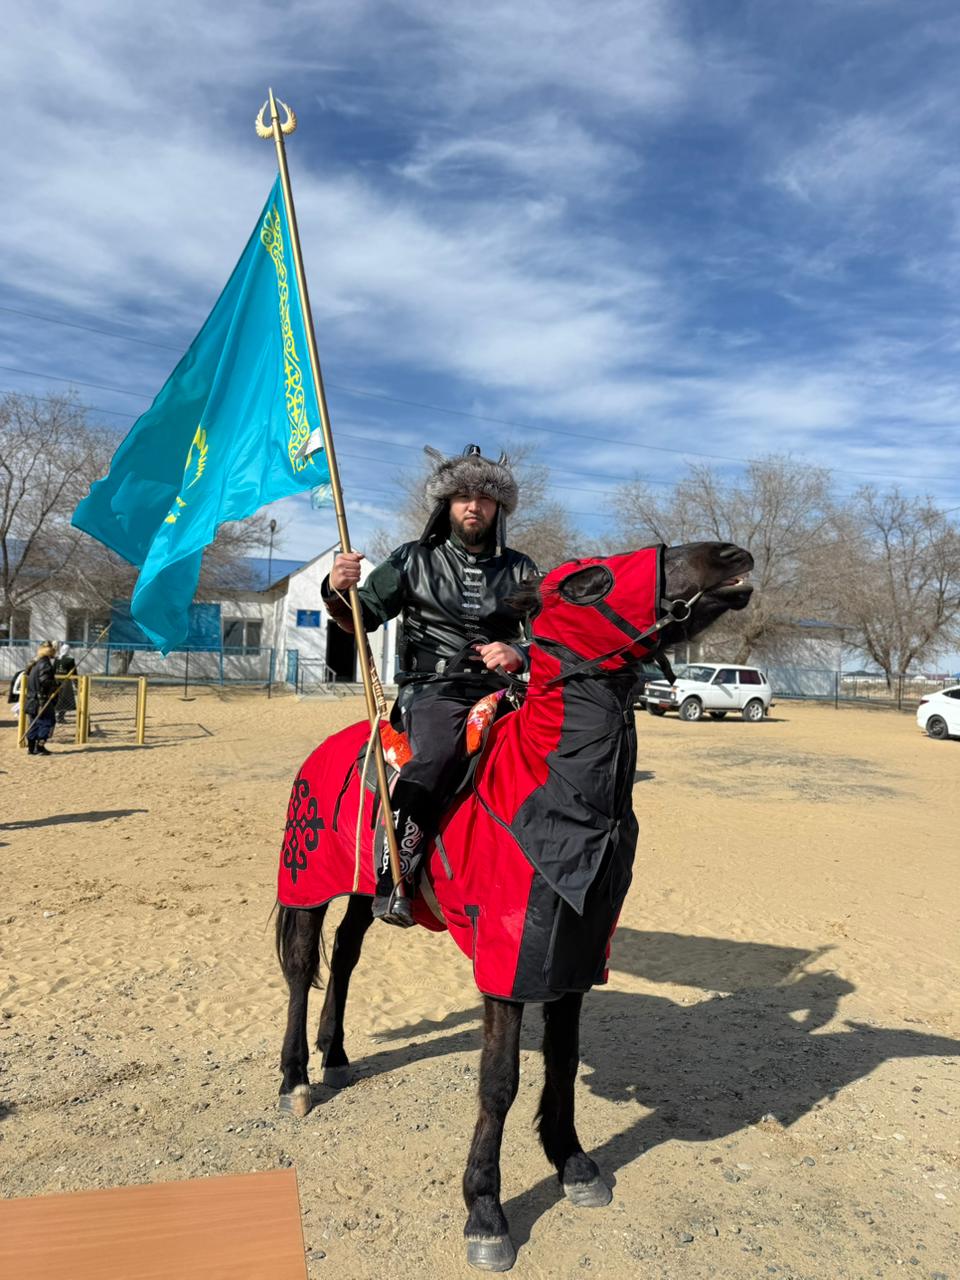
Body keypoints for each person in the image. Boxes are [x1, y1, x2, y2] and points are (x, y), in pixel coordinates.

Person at [322, 444, 537, 926]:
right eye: (462, 496)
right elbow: (362, 618)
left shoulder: (521, 569)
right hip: (434, 692)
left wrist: (520, 653)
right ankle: (395, 878)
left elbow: (552, 638)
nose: (473, 505)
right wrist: (338, 588)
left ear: (498, 508)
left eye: (484, 497)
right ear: (447, 505)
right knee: (436, 758)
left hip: (502, 689)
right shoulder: (412, 559)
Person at [23, 640, 60, 756]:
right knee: (47, 722)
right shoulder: (45, 663)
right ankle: (40, 748)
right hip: (41, 700)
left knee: (34, 723)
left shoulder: (35, 663)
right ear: (50, 651)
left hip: (31, 698)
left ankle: (31, 748)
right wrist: (56, 684)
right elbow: (45, 681)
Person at [54, 643, 78, 723]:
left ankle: (55, 716)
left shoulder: (57, 658)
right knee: (65, 700)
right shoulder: (70, 659)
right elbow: (74, 672)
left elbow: (53, 669)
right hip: (66, 682)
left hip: (56, 681)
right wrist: (76, 682)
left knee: (56, 699)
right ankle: (60, 717)